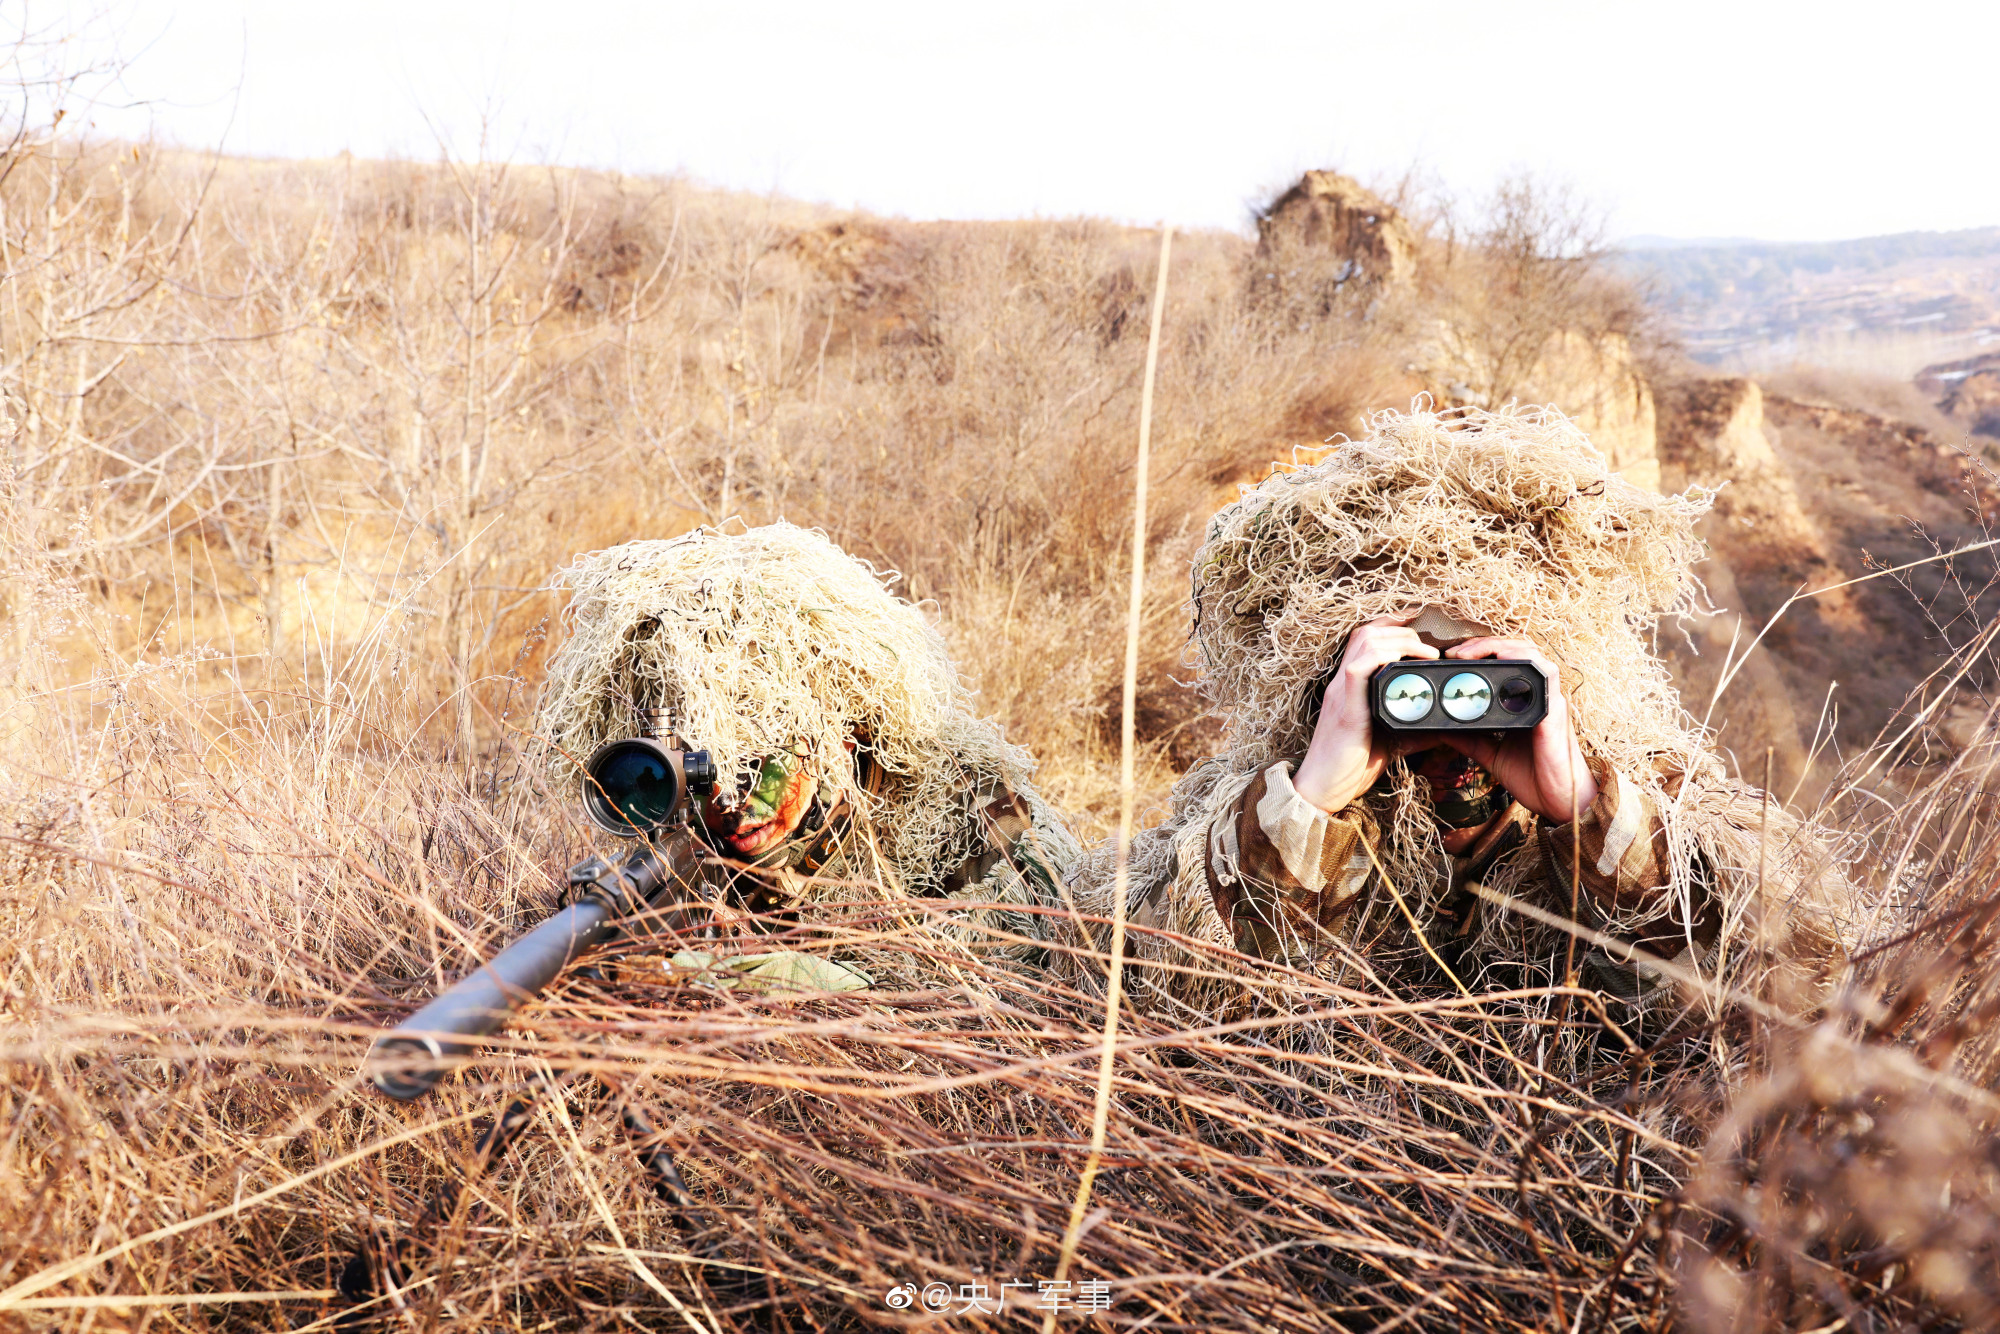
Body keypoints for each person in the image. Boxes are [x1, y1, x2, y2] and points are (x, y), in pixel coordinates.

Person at [1071, 403, 1861, 1018]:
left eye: (1490, 685)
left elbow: (1795, 997)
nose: (1448, 721)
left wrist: (1586, 809)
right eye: (1404, 685)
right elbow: (1133, 1000)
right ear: (1327, 686)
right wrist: (1307, 803)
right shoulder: (1238, 814)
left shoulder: (1673, 815)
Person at [531, 522, 1077, 983]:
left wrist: (760, 974)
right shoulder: (681, 851)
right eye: (704, 771)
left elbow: (1026, 962)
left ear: (831, 731)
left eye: (754, 764)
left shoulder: (965, 797)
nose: (729, 800)